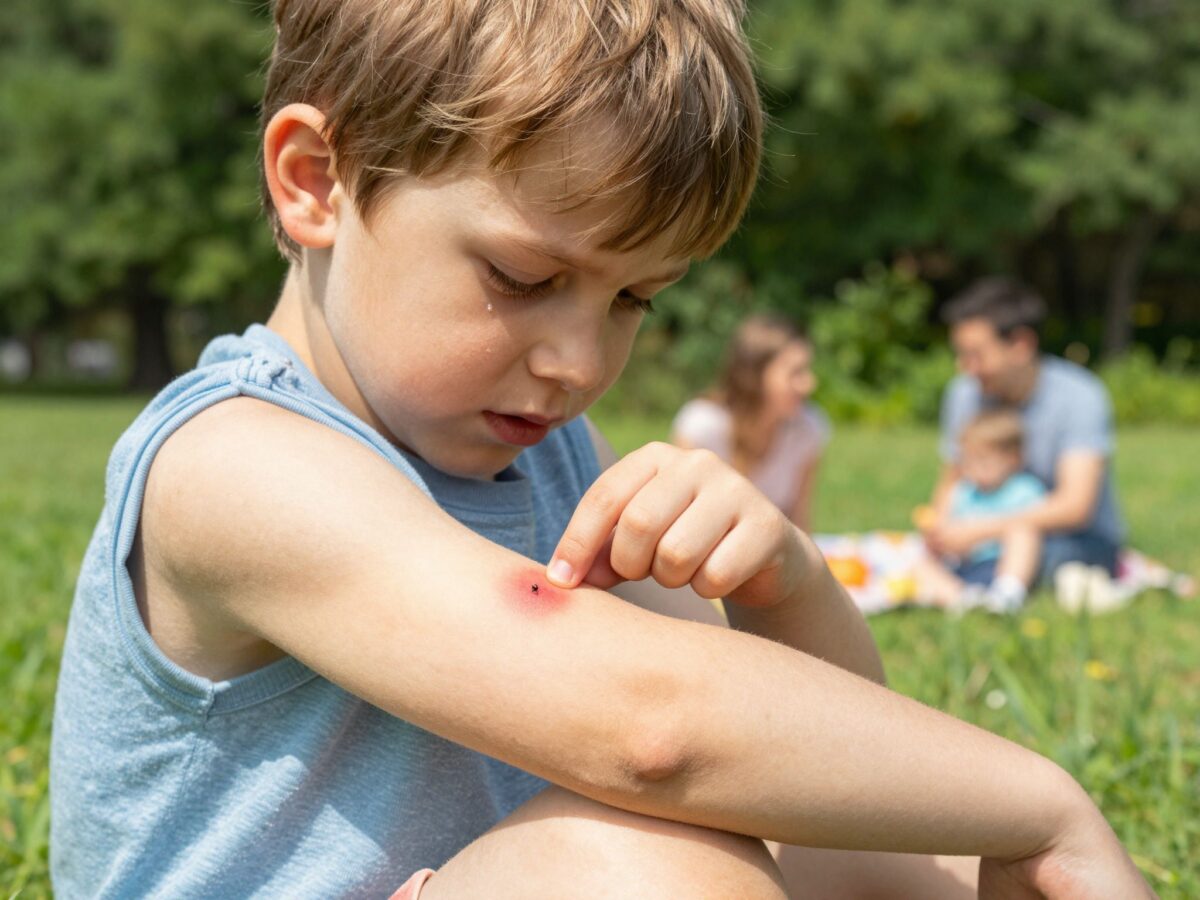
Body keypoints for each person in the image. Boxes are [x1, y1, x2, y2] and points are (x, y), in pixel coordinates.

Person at [49, 2, 1153, 898]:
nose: (578, 362)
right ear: (315, 181)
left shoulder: (550, 453)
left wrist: (787, 584)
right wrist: (1044, 801)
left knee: (903, 850)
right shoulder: (238, 463)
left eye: (635, 299)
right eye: (523, 278)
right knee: (654, 873)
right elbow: (653, 731)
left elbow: (817, 758)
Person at [929, 277, 1126, 588]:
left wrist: (982, 530)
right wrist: (942, 531)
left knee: (1019, 558)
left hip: (1074, 539)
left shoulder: (1080, 395)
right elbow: (953, 479)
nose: (965, 367)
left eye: (976, 355)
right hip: (987, 534)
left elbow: (1075, 506)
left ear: (1021, 345)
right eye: (962, 354)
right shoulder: (964, 394)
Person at [671, 314, 827, 531]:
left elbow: (799, 519)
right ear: (755, 375)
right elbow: (679, 518)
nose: (809, 384)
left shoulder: (808, 428)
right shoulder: (703, 426)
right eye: (795, 373)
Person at [917, 410, 1045, 612]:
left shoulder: (1025, 490)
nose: (974, 469)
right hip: (963, 565)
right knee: (920, 561)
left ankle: (1008, 594)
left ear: (1013, 459)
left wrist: (979, 533)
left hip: (1002, 563)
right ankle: (961, 600)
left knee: (1024, 532)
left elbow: (1034, 524)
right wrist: (938, 540)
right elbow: (946, 526)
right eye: (968, 462)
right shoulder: (963, 492)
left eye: (984, 461)